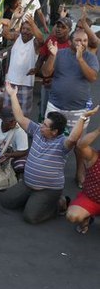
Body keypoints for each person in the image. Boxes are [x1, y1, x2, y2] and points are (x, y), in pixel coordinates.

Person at [1, 81, 94, 224]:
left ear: (54, 131)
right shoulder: (37, 130)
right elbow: (20, 118)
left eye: (45, 125)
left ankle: (59, 204)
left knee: (30, 217)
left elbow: (74, 138)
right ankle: (34, 201)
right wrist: (13, 95)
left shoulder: (62, 143)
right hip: (28, 183)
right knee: (6, 201)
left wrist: (82, 118)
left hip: (48, 189)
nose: (41, 125)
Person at [42, 28, 99, 186]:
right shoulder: (60, 54)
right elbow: (46, 73)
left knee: (78, 143)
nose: (82, 44)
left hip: (79, 109)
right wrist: (52, 56)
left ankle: (79, 172)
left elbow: (93, 77)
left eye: (85, 41)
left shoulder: (90, 57)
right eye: (78, 40)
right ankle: (46, 170)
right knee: (49, 138)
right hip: (56, 106)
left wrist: (80, 59)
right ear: (70, 42)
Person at [2, 13, 44, 117]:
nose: (25, 31)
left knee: (23, 115)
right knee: (7, 113)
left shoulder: (35, 42)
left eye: (28, 29)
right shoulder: (17, 37)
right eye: (23, 28)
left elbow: (41, 39)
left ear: (33, 30)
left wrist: (33, 23)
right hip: (11, 81)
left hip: (26, 84)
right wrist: (14, 18)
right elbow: (5, 34)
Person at [35, 14, 72, 120]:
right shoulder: (51, 39)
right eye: (58, 26)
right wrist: (36, 69)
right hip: (47, 84)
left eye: (63, 27)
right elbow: (41, 57)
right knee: (44, 110)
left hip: (62, 86)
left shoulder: (71, 45)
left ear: (69, 30)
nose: (59, 29)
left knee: (58, 114)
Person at [67, 126, 100, 234]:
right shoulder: (95, 157)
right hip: (91, 199)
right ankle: (87, 217)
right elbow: (81, 145)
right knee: (73, 216)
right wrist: (98, 130)